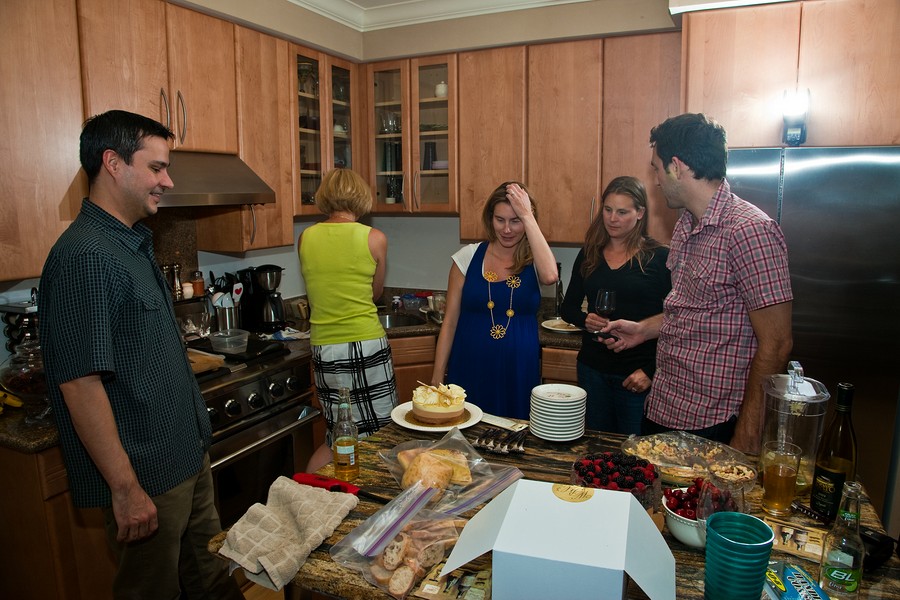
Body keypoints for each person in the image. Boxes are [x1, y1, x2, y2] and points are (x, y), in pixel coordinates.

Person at [38, 110, 243, 600]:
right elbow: (80, 383)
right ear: (113, 163)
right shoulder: (86, 256)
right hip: (147, 474)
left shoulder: (129, 243)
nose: (167, 181)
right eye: (156, 168)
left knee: (212, 580)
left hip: (184, 455)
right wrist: (126, 488)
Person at [603, 113, 793, 453]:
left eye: (657, 169)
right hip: (664, 405)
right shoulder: (685, 225)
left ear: (676, 167)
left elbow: (777, 343)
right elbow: (692, 309)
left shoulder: (749, 231)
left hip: (713, 421)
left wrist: (747, 435)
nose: (656, 181)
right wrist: (643, 330)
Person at [298, 168, 399, 471]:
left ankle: (306, 491)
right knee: (381, 434)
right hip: (366, 344)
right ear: (362, 197)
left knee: (337, 436)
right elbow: (375, 293)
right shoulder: (374, 238)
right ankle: (368, 495)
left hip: (325, 348)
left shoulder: (306, 238)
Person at [431, 182, 558, 419]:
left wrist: (528, 215)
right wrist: (437, 376)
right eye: (500, 220)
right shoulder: (468, 256)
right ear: (490, 219)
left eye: (516, 220)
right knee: (464, 433)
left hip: (518, 368)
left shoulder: (536, 259)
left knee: (515, 433)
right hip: (469, 364)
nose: (507, 229)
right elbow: (449, 323)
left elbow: (551, 276)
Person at [560, 176, 671, 435]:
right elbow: (568, 308)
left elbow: (676, 320)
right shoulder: (589, 253)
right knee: (596, 445)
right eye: (608, 210)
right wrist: (585, 320)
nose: (612, 218)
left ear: (640, 213)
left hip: (636, 374)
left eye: (622, 212)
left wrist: (652, 371)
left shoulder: (659, 257)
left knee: (634, 449)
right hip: (592, 369)